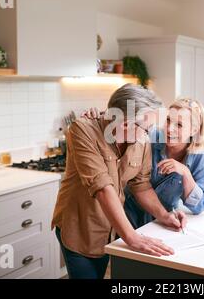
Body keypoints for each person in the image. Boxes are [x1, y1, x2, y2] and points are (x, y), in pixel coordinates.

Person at [52, 84, 187, 279]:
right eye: (146, 128)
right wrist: (132, 237)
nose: (148, 134)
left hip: (110, 227)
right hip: (80, 227)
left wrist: (165, 216)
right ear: (125, 124)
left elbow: (141, 185)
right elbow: (102, 188)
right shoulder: (83, 130)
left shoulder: (140, 140)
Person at [83, 98, 204, 230]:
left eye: (179, 125)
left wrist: (185, 173)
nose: (169, 129)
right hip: (126, 214)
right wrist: (99, 116)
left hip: (159, 222)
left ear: (194, 130)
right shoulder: (150, 135)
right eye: (168, 120)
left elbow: (202, 205)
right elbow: (123, 122)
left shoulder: (200, 157)